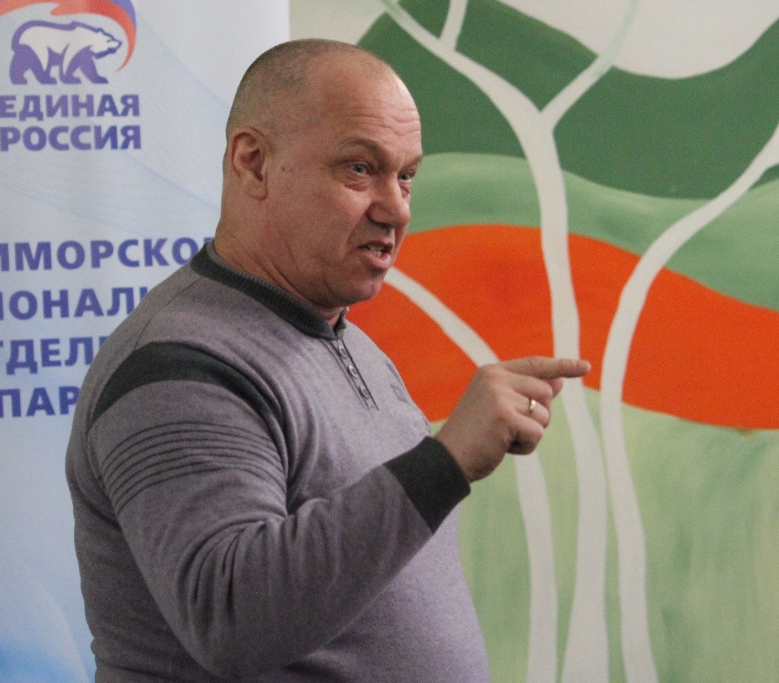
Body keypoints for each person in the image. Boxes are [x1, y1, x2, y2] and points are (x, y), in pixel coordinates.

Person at [66, 38, 589, 682]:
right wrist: (446, 461)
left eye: (406, 176)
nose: (396, 208)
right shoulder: (179, 368)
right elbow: (231, 617)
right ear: (254, 163)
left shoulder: (349, 342)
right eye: (360, 169)